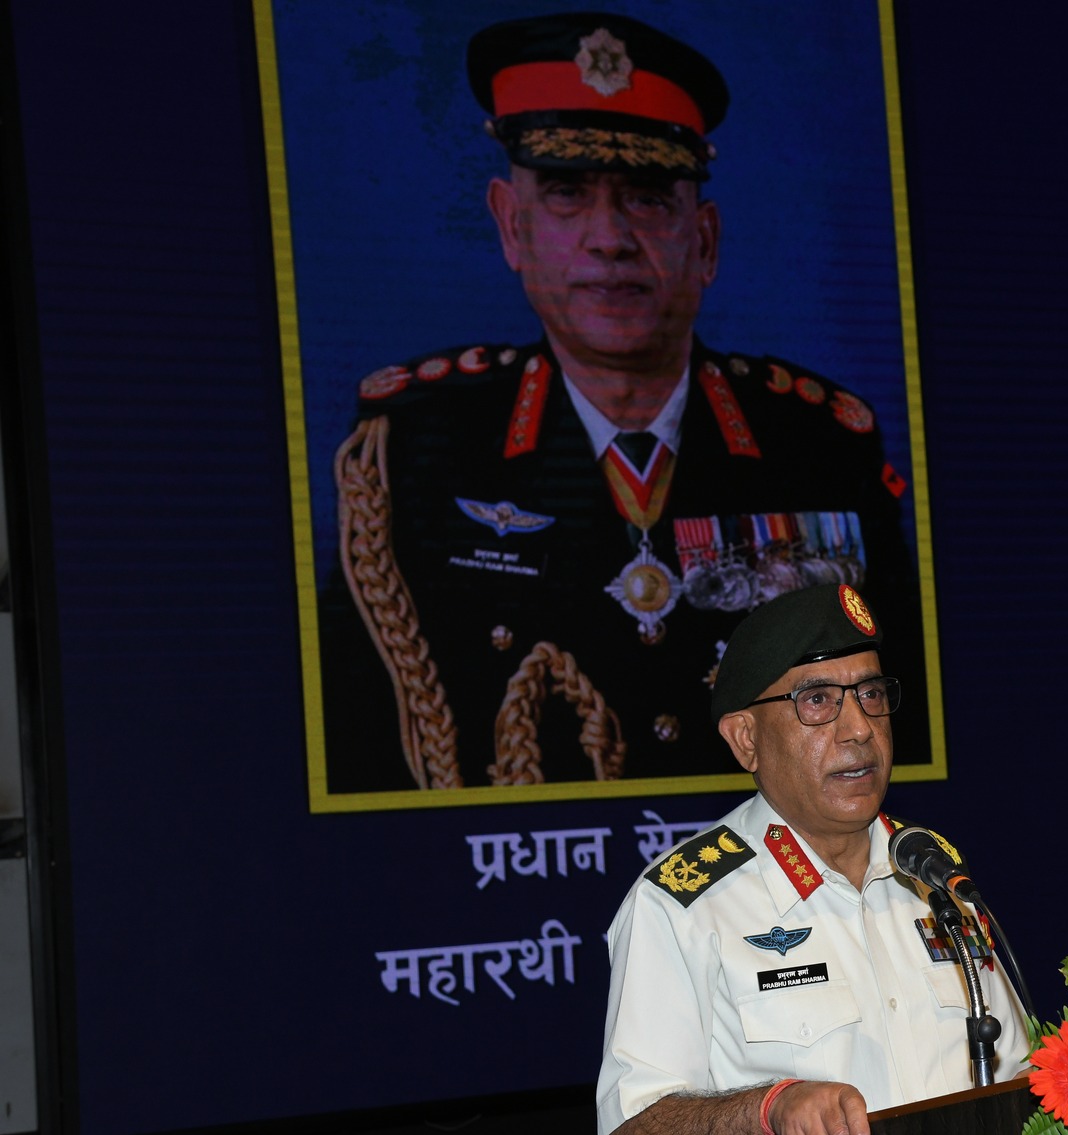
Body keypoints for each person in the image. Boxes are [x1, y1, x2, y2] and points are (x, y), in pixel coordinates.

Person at [317, 11, 926, 794]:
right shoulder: (419, 451)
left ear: (704, 241)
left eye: (646, 197)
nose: (609, 238)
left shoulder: (817, 447)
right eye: (567, 194)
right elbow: (358, 754)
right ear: (511, 227)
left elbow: (907, 732)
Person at [595, 583, 1023, 1135]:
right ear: (745, 739)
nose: (858, 728)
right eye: (818, 700)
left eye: (871, 693)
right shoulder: (684, 904)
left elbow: (1019, 1078)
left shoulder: (933, 874)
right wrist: (770, 1108)